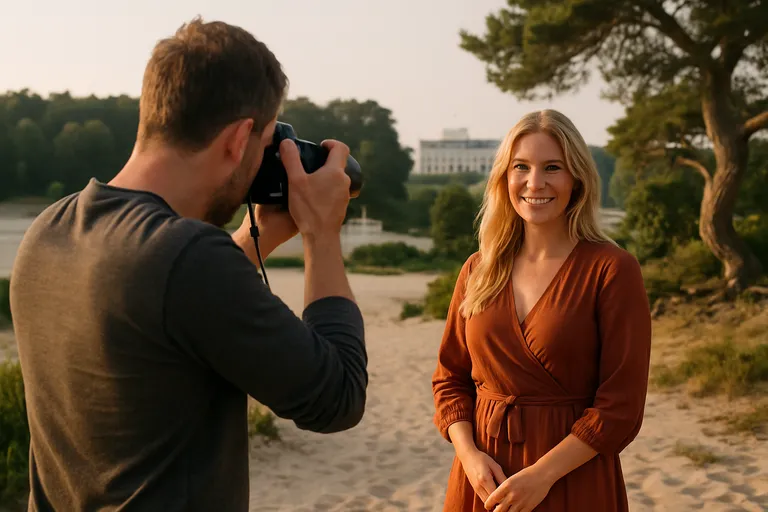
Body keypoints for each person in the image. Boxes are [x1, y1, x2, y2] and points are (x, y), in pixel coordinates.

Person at [10, 18, 368, 512]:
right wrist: (321, 234)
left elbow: (163, 307)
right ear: (238, 140)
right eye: (265, 147)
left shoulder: (50, 229)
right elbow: (337, 397)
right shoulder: (186, 257)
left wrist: (256, 237)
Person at [431, 109, 652, 512]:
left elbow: (621, 405)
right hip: (481, 480)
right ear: (504, 177)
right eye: (521, 167)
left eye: (553, 167)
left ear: (577, 179)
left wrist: (541, 476)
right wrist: (470, 458)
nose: (535, 183)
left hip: (572, 477)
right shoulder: (477, 269)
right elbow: (449, 380)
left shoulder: (612, 269)